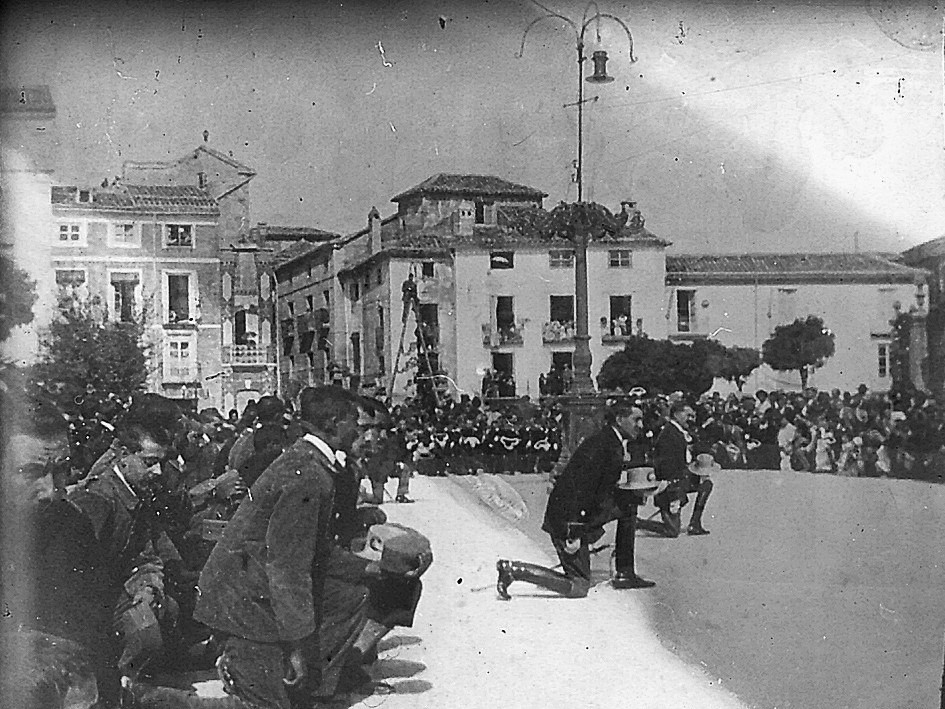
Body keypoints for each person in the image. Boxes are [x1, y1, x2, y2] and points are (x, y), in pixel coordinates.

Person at [193, 386, 369, 709]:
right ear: (332, 423)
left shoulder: (308, 462)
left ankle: (305, 688)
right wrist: (297, 646)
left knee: (353, 594)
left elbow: (316, 553)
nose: (359, 429)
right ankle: (152, 698)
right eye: (353, 421)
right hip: (242, 604)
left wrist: (369, 569)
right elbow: (288, 569)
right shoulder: (308, 474)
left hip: (251, 590)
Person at [496, 402, 652, 599]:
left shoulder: (611, 441)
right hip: (568, 519)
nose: (641, 425)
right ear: (620, 420)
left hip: (574, 513)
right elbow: (581, 489)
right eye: (635, 419)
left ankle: (625, 572)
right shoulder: (605, 444)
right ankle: (514, 570)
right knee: (578, 586)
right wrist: (575, 531)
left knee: (629, 506)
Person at [638, 401, 714, 537]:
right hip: (670, 485)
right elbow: (665, 464)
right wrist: (673, 492)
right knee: (672, 531)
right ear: (676, 414)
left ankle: (694, 524)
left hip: (681, 480)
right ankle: (638, 523)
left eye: (692, 416)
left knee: (706, 483)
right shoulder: (668, 434)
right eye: (688, 415)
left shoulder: (680, 431)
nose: (691, 419)